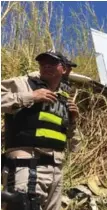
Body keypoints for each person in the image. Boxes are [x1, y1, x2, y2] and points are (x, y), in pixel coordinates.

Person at [1, 51, 79, 210]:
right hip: (26, 163)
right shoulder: (24, 83)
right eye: (43, 63)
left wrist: (73, 119)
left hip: (55, 170)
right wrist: (30, 96)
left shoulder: (64, 96)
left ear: (64, 69)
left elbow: (72, 142)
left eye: (52, 63)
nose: (46, 66)